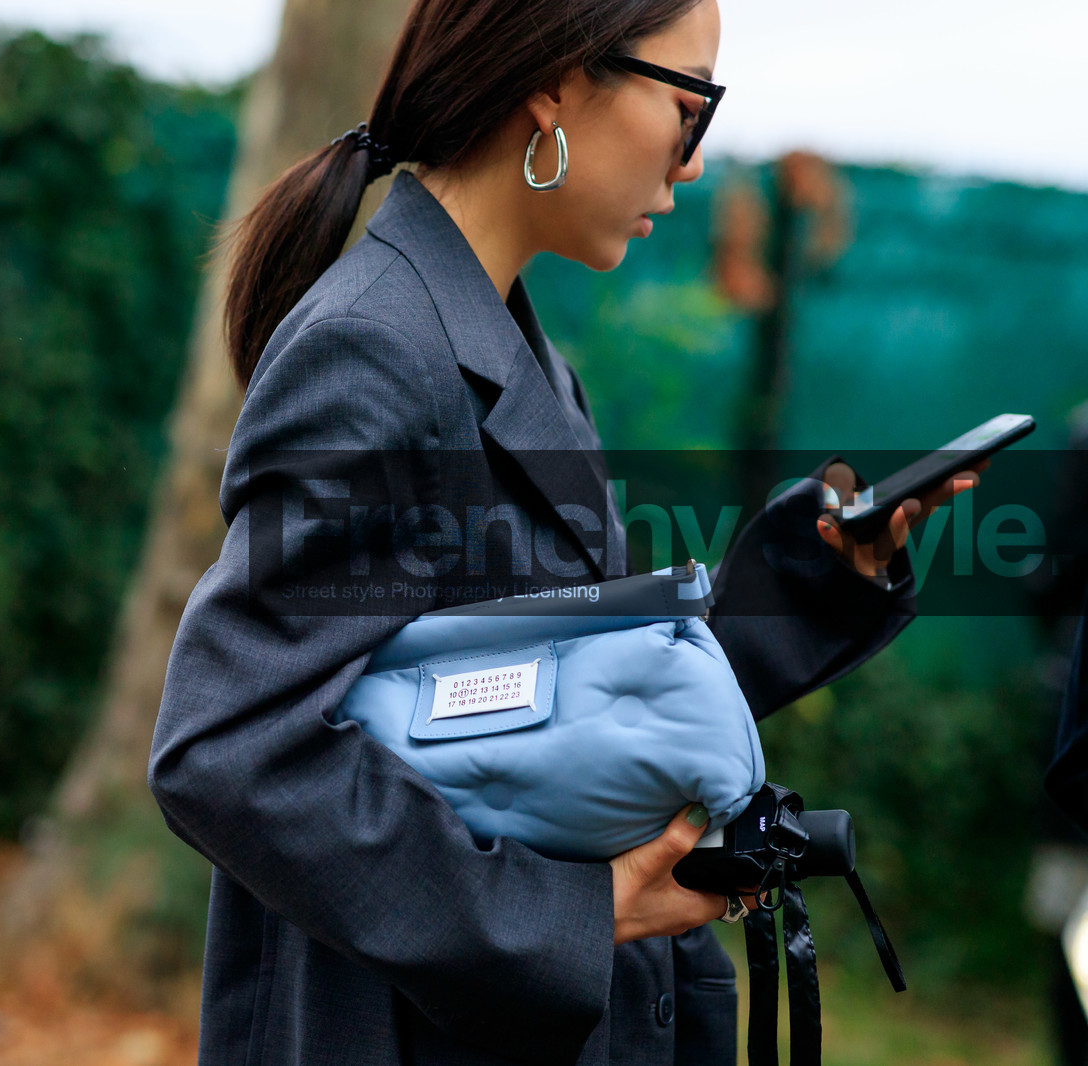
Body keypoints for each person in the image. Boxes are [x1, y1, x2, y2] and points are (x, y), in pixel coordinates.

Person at [147, 2, 983, 1063]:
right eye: (691, 106)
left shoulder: (510, 349)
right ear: (552, 83)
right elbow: (230, 748)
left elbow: (552, 698)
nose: (690, 167)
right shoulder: (374, 349)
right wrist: (568, 912)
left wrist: (813, 581)